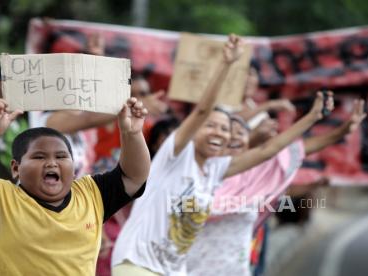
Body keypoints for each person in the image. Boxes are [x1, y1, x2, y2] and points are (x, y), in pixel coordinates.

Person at [111, 34, 333, 275]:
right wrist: (226, 64)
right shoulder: (174, 156)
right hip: (136, 263)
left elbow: (268, 150)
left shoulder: (215, 170)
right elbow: (203, 109)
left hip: (171, 270)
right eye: (210, 126)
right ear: (195, 130)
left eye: (224, 128)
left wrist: (312, 118)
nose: (219, 132)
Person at [0, 96, 150, 275]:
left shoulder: (92, 194)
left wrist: (132, 134)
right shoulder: (0, 196)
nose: (52, 163)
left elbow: (134, 176)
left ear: (74, 167)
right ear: (16, 168)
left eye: (61, 157)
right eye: (39, 157)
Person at [186, 98, 365, 275]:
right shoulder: (192, 172)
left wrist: (339, 131)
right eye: (227, 132)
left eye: (239, 132)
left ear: (248, 140)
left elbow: (293, 149)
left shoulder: (258, 174)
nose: (233, 137)